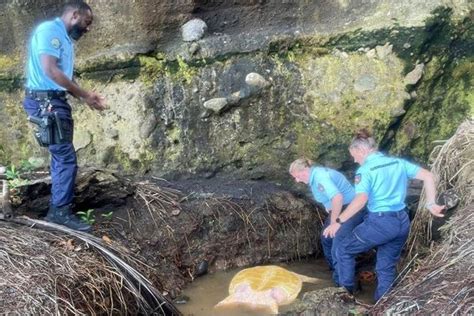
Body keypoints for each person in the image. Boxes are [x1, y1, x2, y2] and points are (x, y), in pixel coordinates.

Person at [323, 129, 445, 301]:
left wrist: (338, 221)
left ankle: (346, 296)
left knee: (343, 249)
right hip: (402, 221)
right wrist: (431, 203)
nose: (354, 159)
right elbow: (428, 176)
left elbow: (361, 199)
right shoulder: (397, 163)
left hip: (380, 222)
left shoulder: (365, 170)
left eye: (354, 155)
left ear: (362, 150)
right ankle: (381, 306)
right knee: (385, 267)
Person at [23, 1, 106, 231]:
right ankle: (59, 212)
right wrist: (85, 95)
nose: (88, 29)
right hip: (46, 102)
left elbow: (60, 77)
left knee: (61, 154)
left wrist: (85, 97)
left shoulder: (64, 39)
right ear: (74, 15)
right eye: (87, 22)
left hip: (54, 100)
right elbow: (50, 70)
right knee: (65, 156)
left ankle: (58, 208)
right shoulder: (50, 31)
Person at [289, 158, 365, 286]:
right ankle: (336, 272)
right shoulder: (316, 175)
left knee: (338, 247)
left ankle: (347, 288)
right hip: (341, 208)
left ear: (305, 170)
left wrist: (334, 223)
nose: (297, 180)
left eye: (297, 176)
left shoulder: (320, 177)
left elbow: (337, 197)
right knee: (326, 239)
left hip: (352, 208)